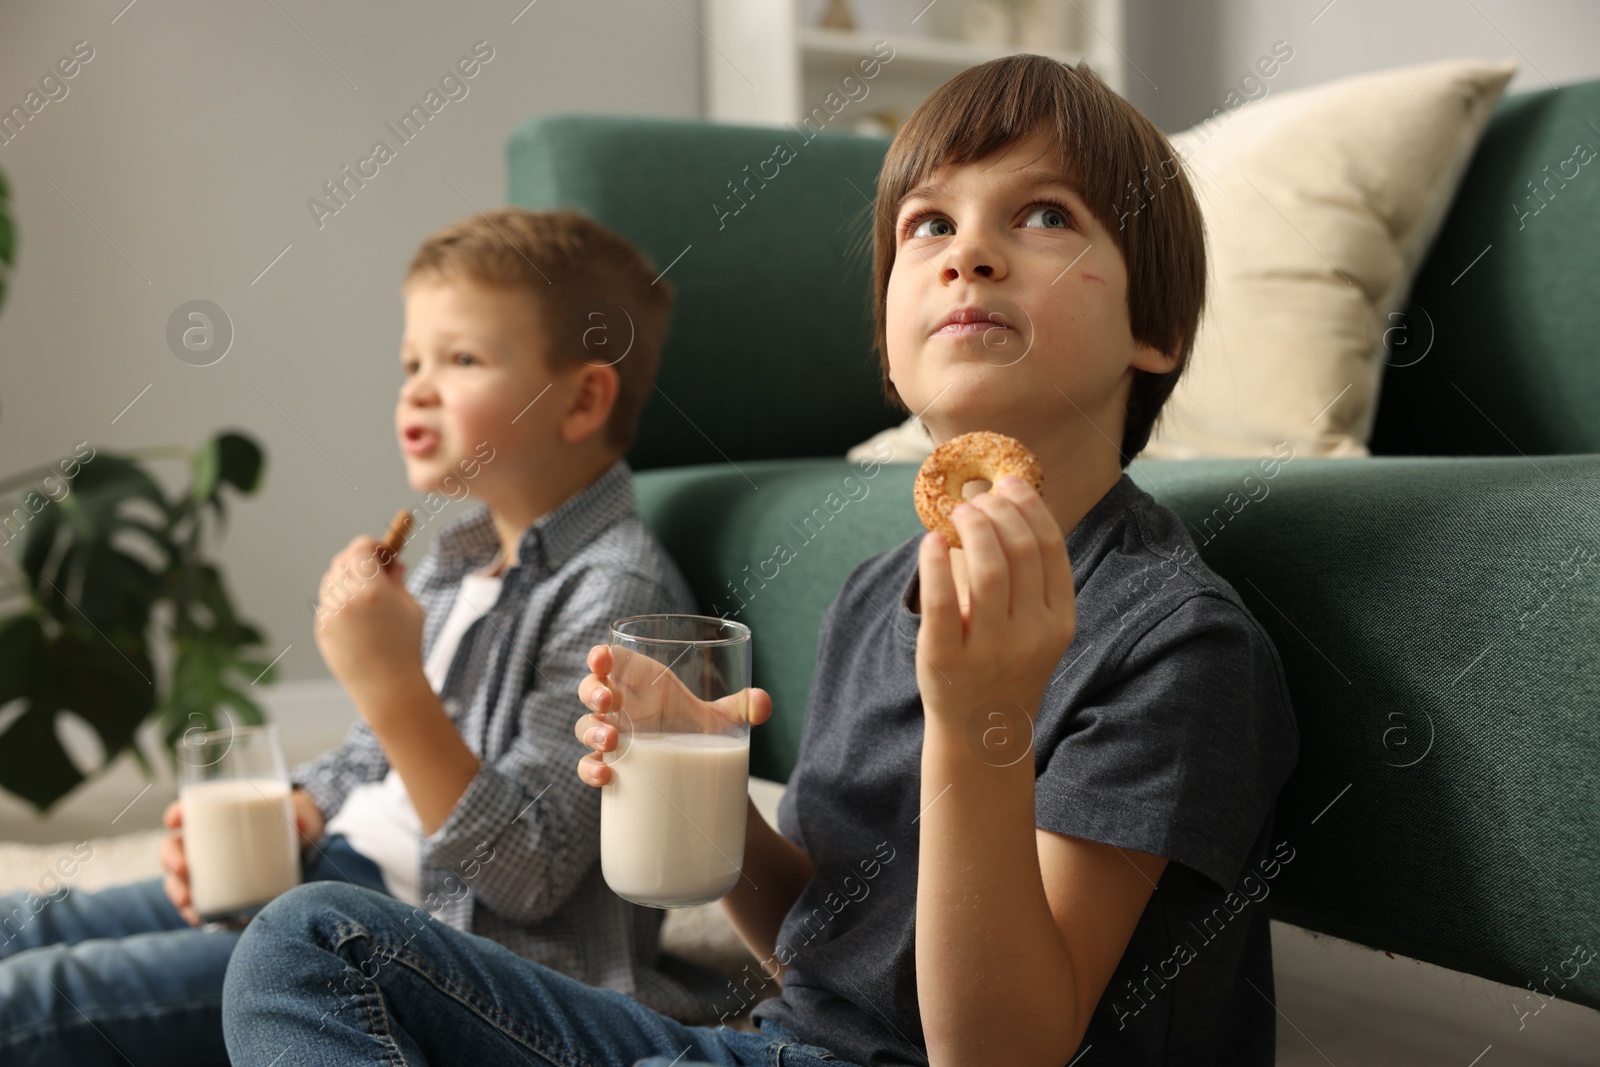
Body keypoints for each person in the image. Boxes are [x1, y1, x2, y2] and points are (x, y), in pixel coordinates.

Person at [219, 54, 1301, 1066]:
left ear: (1152, 326)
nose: (968, 249)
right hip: (781, 1040)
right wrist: (713, 807)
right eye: (927, 225)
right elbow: (828, 955)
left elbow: (1001, 1048)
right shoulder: (879, 593)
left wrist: (982, 722)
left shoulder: (1172, 640)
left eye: (1043, 214)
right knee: (313, 939)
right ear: (886, 342)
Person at [0, 207, 722, 1066]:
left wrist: (390, 683)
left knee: (41, 1001)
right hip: (322, 877)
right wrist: (298, 809)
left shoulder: (614, 594)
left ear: (581, 398)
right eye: (411, 361)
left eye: (461, 360)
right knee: (32, 922)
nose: (416, 386)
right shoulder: (453, 562)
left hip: (416, 945)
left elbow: (528, 868)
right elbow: (369, 762)